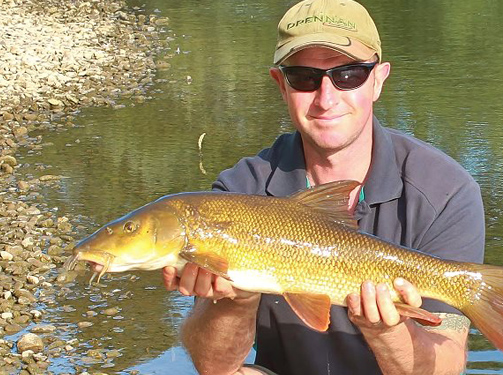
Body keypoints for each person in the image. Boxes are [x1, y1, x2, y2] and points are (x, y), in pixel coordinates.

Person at [163, 0, 485, 374]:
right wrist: (236, 298)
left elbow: (445, 367)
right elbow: (213, 367)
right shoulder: (241, 190)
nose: (326, 98)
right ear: (280, 84)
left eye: (349, 75)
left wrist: (386, 332)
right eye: (305, 78)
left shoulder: (445, 190)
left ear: (379, 79)